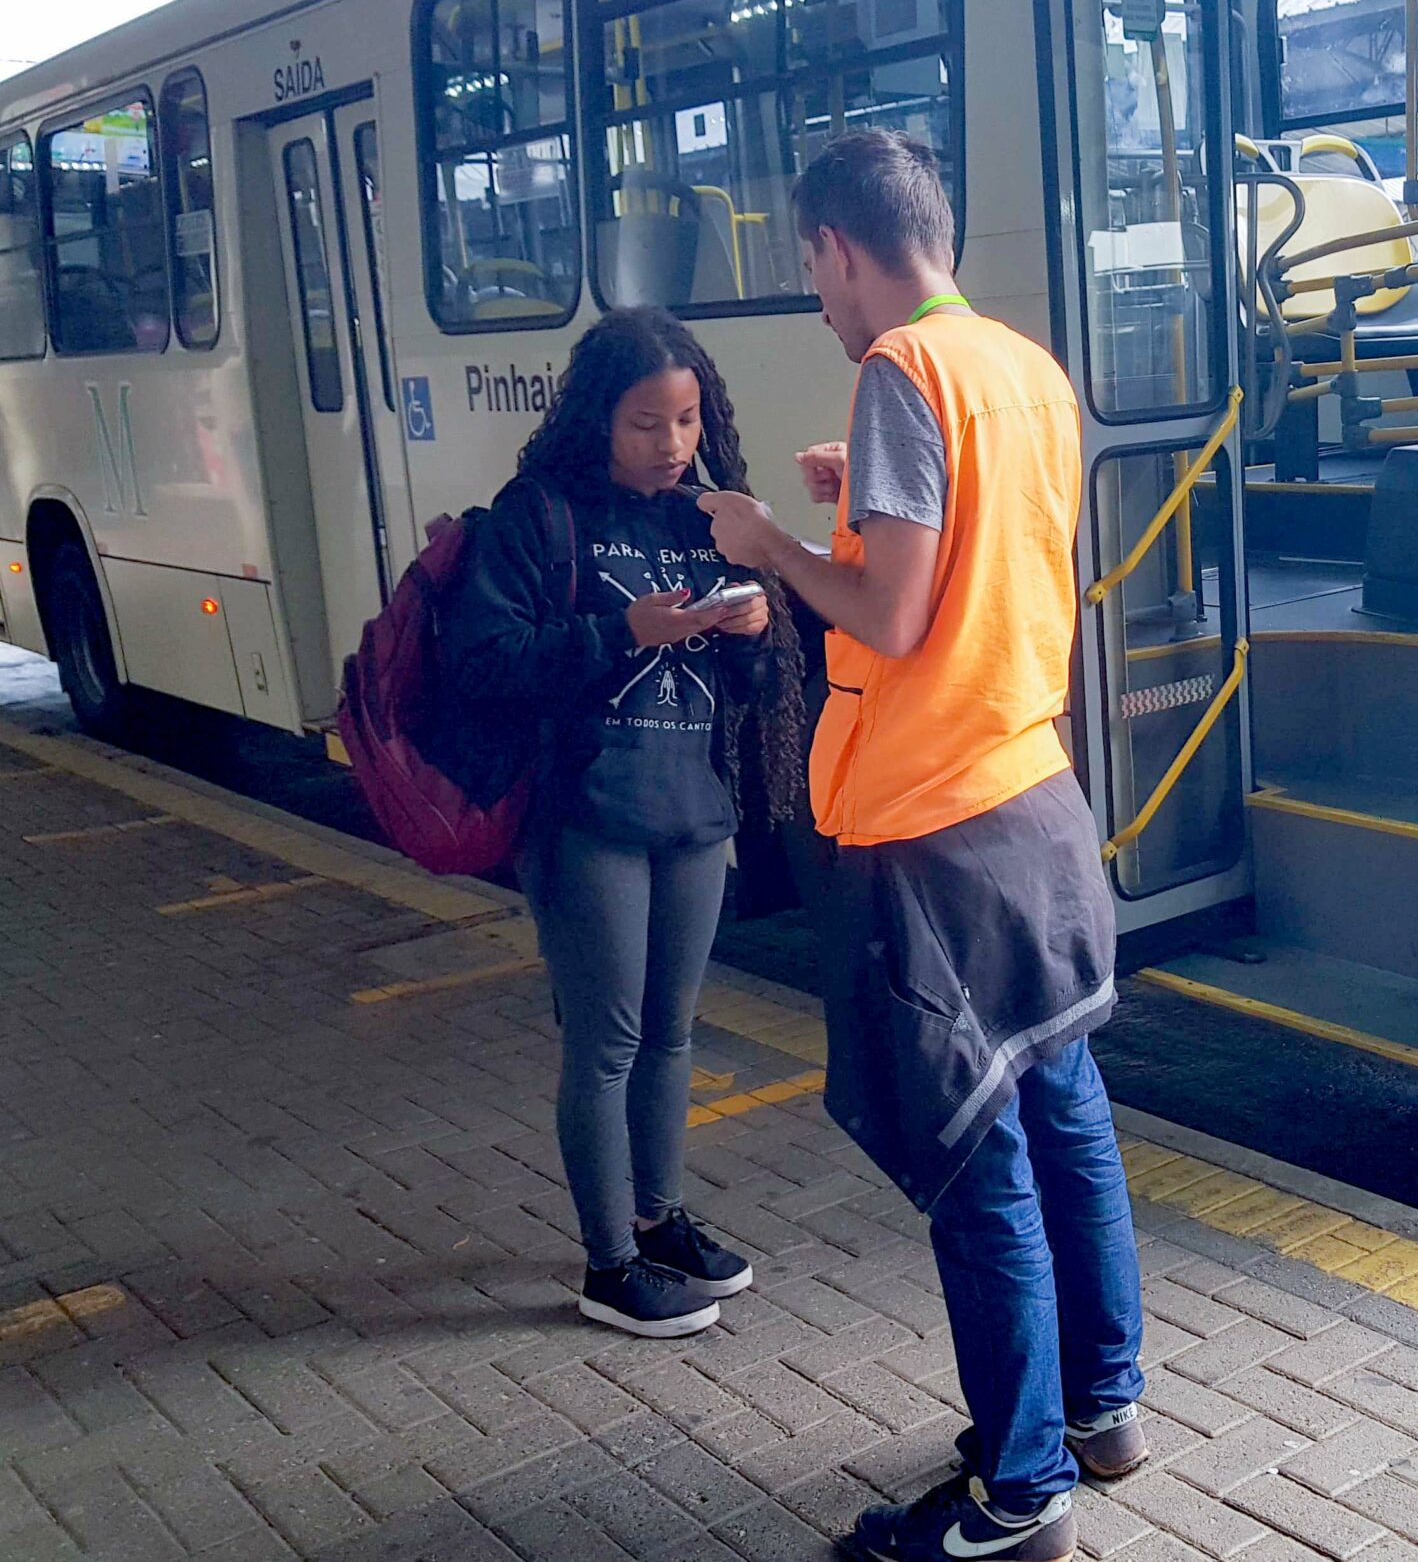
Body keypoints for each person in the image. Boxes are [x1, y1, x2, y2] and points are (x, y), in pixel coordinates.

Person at [700, 131, 1143, 1562]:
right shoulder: (1024, 368)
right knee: (1067, 1108)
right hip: (1037, 799)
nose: (816, 300)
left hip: (928, 825)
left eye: (809, 269)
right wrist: (856, 492)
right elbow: (973, 552)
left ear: (840, 243)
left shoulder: (898, 370)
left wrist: (770, 539)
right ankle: (1102, 1404)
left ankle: (1019, 1494)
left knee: (979, 1155)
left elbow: (886, 618)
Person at [448, 306, 806, 1340]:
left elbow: (764, 682)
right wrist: (617, 631)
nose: (673, 444)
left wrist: (747, 628)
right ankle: (608, 1266)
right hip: (585, 816)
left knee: (673, 1034)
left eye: (687, 420)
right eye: (648, 423)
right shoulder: (540, 514)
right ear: (599, 417)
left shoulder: (707, 516)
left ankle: (660, 1220)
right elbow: (485, 664)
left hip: (692, 812)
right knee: (603, 1046)